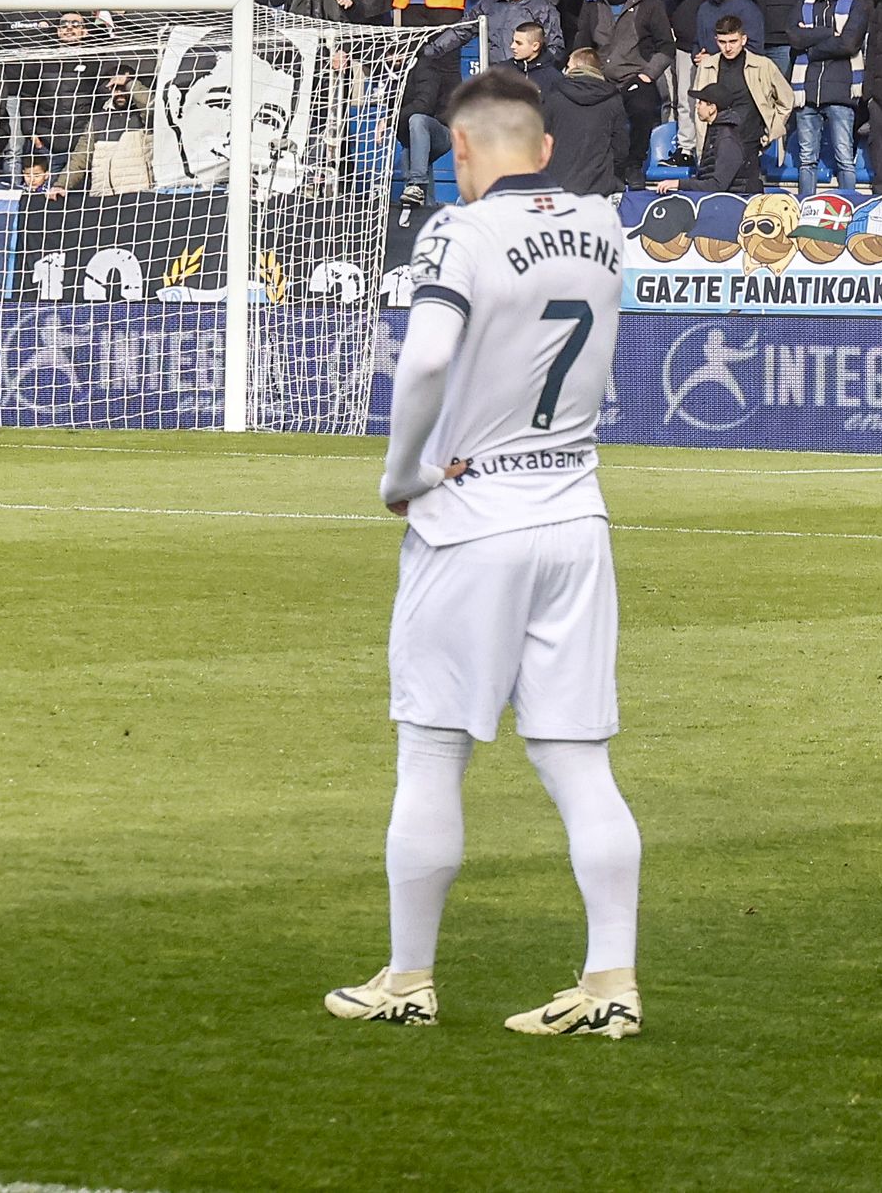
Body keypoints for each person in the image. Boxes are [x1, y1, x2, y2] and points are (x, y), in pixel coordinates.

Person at [337, 67, 644, 1042]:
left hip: (472, 518)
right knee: (578, 762)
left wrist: (403, 474)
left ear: (460, 152)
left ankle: (409, 978)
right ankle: (610, 983)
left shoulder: (458, 231)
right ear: (544, 147)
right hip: (575, 514)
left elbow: (425, 358)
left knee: (430, 751)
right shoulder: (600, 227)